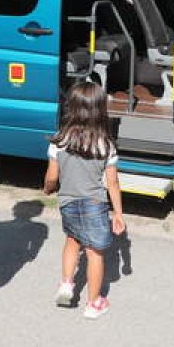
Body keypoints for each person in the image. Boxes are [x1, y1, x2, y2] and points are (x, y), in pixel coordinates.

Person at [43, 81, 126, 319]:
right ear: (100, 110)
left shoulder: (59, 141)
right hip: (95, 204)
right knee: (94, 253)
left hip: (68, 203)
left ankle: (67, 284)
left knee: (72, 240)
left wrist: (48, 189)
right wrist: (118, 213)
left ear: (71, 108)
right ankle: (93, 303)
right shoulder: (106, 145)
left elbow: (51, 177)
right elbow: (112, 183)